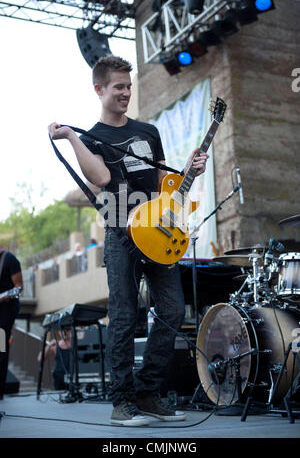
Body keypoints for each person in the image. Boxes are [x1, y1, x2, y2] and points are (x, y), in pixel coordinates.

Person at [48, 55, 209, 426]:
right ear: (99, 89)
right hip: (121, 233)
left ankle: (149, 393)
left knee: (171, 310)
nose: (125, 92)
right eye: (118, 86)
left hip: (157, 233)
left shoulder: (148, 132)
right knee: (123, 317)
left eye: (128, 86)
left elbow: (164, 187)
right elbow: (101, 178)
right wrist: (72, 137)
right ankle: (122, 403)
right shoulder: (91, 138)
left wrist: (188, 172)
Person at [0, 249, 23, 400]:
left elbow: (19, 287)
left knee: (0, 349)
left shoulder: (9, 259)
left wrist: (2, 297)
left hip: (4, 312)